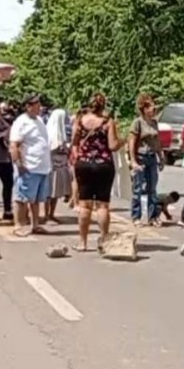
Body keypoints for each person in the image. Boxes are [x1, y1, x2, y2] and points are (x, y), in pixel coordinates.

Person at [71, 93, 124, 251]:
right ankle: (103, 241)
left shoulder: (79, 120)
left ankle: (82, 242)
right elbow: (113, 145)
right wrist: (123, 141)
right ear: (103, 105)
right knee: (102, 205)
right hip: (103, 165)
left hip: (84, 164)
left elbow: (74, 142)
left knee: (84, 205)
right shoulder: (108, 122)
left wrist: (78, 156)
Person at [10, 93, 51, 237]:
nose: (39, 107)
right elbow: (14, 145)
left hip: (42, 166)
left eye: (39, 104)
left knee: (37, 199)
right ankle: (18, 225)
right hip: (29, 166)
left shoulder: (39, 120)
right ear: (28, 106)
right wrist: (19, 163)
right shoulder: (21, 122)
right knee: (21, 197)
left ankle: (35, 224)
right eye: (36, 104)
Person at [128, 93, 162, 227]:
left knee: (152, 189)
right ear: (144, 109)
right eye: (150, 107)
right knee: (138, 188)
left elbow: (157, 141)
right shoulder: (137, 123)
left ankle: (152, 217)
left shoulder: (154, 123)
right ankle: (136, 216)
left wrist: (161, 155)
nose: (153, 110)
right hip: (141, 157)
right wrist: (133, 160)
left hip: (152, 157)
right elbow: (131, 141)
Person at [45, 107, 72, 224]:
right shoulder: (49, 133)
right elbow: (50, 149)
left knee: (56, 191)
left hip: (61, 165)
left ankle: (52, 214)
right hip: (52, 165)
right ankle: (46, 215)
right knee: (49, 192)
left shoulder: (63, 133)